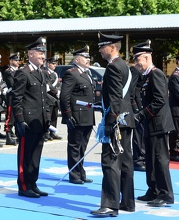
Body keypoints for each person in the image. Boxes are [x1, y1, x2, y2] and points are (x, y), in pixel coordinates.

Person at [90, 33, 135, 217]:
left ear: (113, 47)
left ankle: (109, 205)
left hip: (116, 121)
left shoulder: (114, 67)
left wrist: (111, 121)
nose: (100, 50)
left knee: (110, 163)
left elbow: (116, 97)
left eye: (103, 46)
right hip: (125, 120)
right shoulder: (123, 65)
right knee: (125, 162)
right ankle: (127, 202)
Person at [132, 40, 175, 207]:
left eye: (138, 60)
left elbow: (159, 100)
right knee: (150, 159)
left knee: (160, 159)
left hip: (159, 124)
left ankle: (165, 194)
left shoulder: (156, 74)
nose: (136, 64)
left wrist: (142, 114)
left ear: (146, 57)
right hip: (151, 124)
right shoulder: (147, 76)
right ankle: (153, 190)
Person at [12, 37, 50, 198]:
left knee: (36, 155)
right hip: (27, 121)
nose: (43, 56)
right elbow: (16, 98)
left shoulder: (41, 72)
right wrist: (20, 120)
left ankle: (33, 183)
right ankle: (24, 185)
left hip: (39, 121)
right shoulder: (23, 72)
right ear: (31, 54)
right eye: (40, 53)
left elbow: (42, 98)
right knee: (25, 156)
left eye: (43, 53)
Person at [60, 46, 95, 185]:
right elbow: (64, 97)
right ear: (76, 59)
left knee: (82, 147)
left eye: (88, 57)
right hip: (77, 116)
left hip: (87, 116)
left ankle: (81, 171)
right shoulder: (72, 73)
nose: (88, 60)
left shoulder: (87, 73)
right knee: (75, 146)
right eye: (85, 57)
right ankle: (74, 174)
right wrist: (68, 115)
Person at [130, 65, 146, 171]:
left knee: (142, 132)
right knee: (138, 133)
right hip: (137, 104)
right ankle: (137, 159)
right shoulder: (135, 70)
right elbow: (132, 90)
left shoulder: (144, 69)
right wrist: (136, 108)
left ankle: (142, 157)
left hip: (142, 103)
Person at [44, 57, 62, 141]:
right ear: (48, 64)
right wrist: (56, 91)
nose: (55, 65)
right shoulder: (45, 72)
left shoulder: (55, 74)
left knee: (54, 116)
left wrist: (59, 91)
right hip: (49, 97)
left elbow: (58, 84)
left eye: (55, 63)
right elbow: (48, 85)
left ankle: (53, 132)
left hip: (55, 98)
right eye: (53, 63)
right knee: (48, 116)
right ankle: (46, 132)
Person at [3, 53, 20, 142]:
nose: (18, 62)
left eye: (18, 60)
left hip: (19, 97)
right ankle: (8, 135)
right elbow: (12, 84)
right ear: (11, 61)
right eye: (16, 60)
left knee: (18, 116)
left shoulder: (19, 71)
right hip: (11, 96)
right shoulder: (8, 71)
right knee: (10, 116)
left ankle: (18, 134)